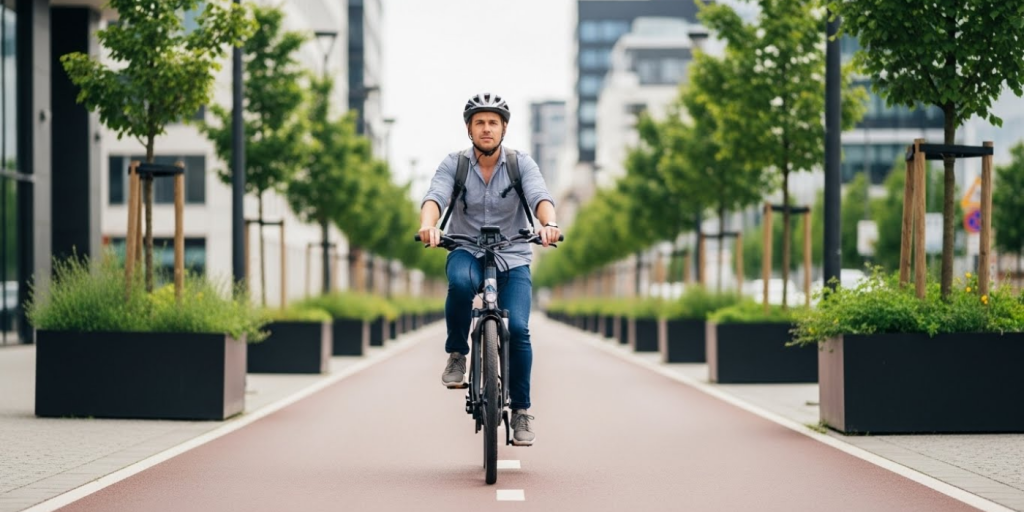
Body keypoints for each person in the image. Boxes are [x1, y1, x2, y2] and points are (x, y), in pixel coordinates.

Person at [418, 93, 561, 446]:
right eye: (479, 122)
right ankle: (457, 354)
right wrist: (428, 226)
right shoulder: (454, 164)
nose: (486, 128)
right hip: (466, 249)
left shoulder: (520, 164)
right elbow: (436, 197)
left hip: (512, 254)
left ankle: (522, 410)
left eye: (493, 123)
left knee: (521, 329)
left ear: (504, 129)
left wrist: (549, 224)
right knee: (459, 284)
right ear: (469, 129)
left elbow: (539, 196)